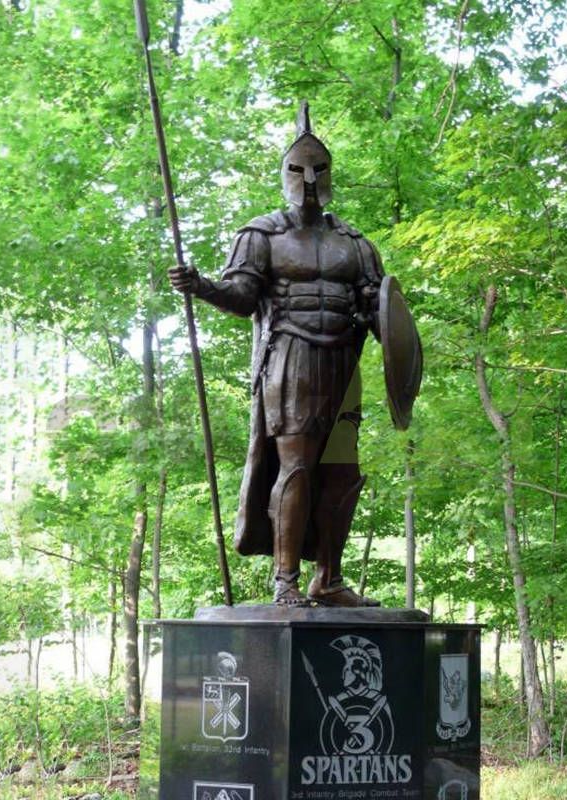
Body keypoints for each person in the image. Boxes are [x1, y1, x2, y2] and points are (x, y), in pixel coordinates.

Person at [169, 102, 384, 606]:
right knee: (297, 467)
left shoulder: (355, 242)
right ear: (285, 174)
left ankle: (327, 579)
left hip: (343, 366)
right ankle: (285, 581)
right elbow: (243, 298)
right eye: (298, 169)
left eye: (319, 169)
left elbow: (380, 308)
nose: (309, 179)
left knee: (341, 473)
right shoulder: (260, 234)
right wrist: (200, 285)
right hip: (290, 358)